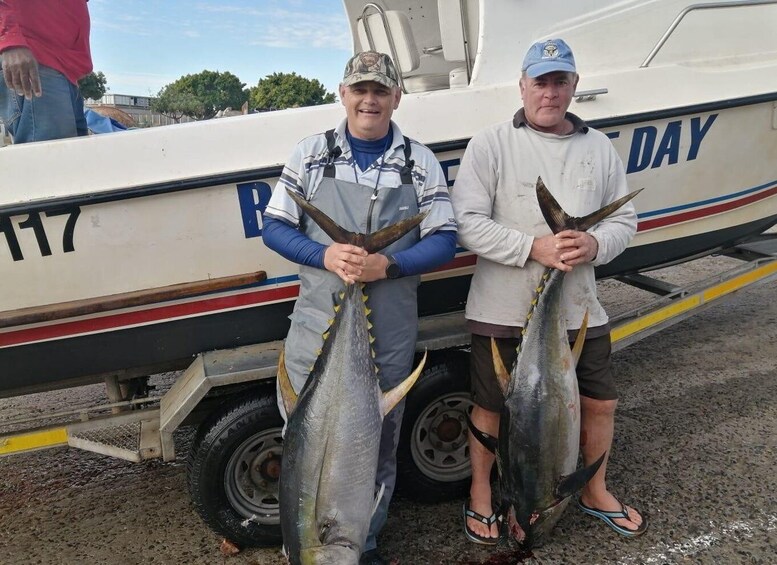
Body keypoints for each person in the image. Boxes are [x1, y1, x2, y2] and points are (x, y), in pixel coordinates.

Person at [263, 51, 457, 565]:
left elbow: (445, 241)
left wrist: (386, 266)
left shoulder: (421, 161)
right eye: (360, 89)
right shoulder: (310, 152)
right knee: (304, 448)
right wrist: (325, 252)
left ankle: (362, 543)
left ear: (397, 97)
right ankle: (301, 545)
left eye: (380, 91)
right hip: (316, 326)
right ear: (343, 93)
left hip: (388, 330)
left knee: (375, 444)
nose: (369, 99)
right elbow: (275, 226)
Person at [451, 38, 647, 545]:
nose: (551, 92)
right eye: (541, 81)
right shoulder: (491, 143)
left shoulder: (598, 147)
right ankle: (480, 493)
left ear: (574, 87)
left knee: (600, 402)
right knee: (492, 406)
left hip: (579, 308)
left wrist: (595, 241)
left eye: (560, 81)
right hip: (500, 306)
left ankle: (593, 489)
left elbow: (626, 220)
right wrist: (532, 247)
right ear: (522, 86)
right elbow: (466, 224)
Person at [0, 0, 92, 143]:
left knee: (72, 159)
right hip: (35, 59)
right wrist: (9, 38)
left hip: (65, 71)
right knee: (53, 160)